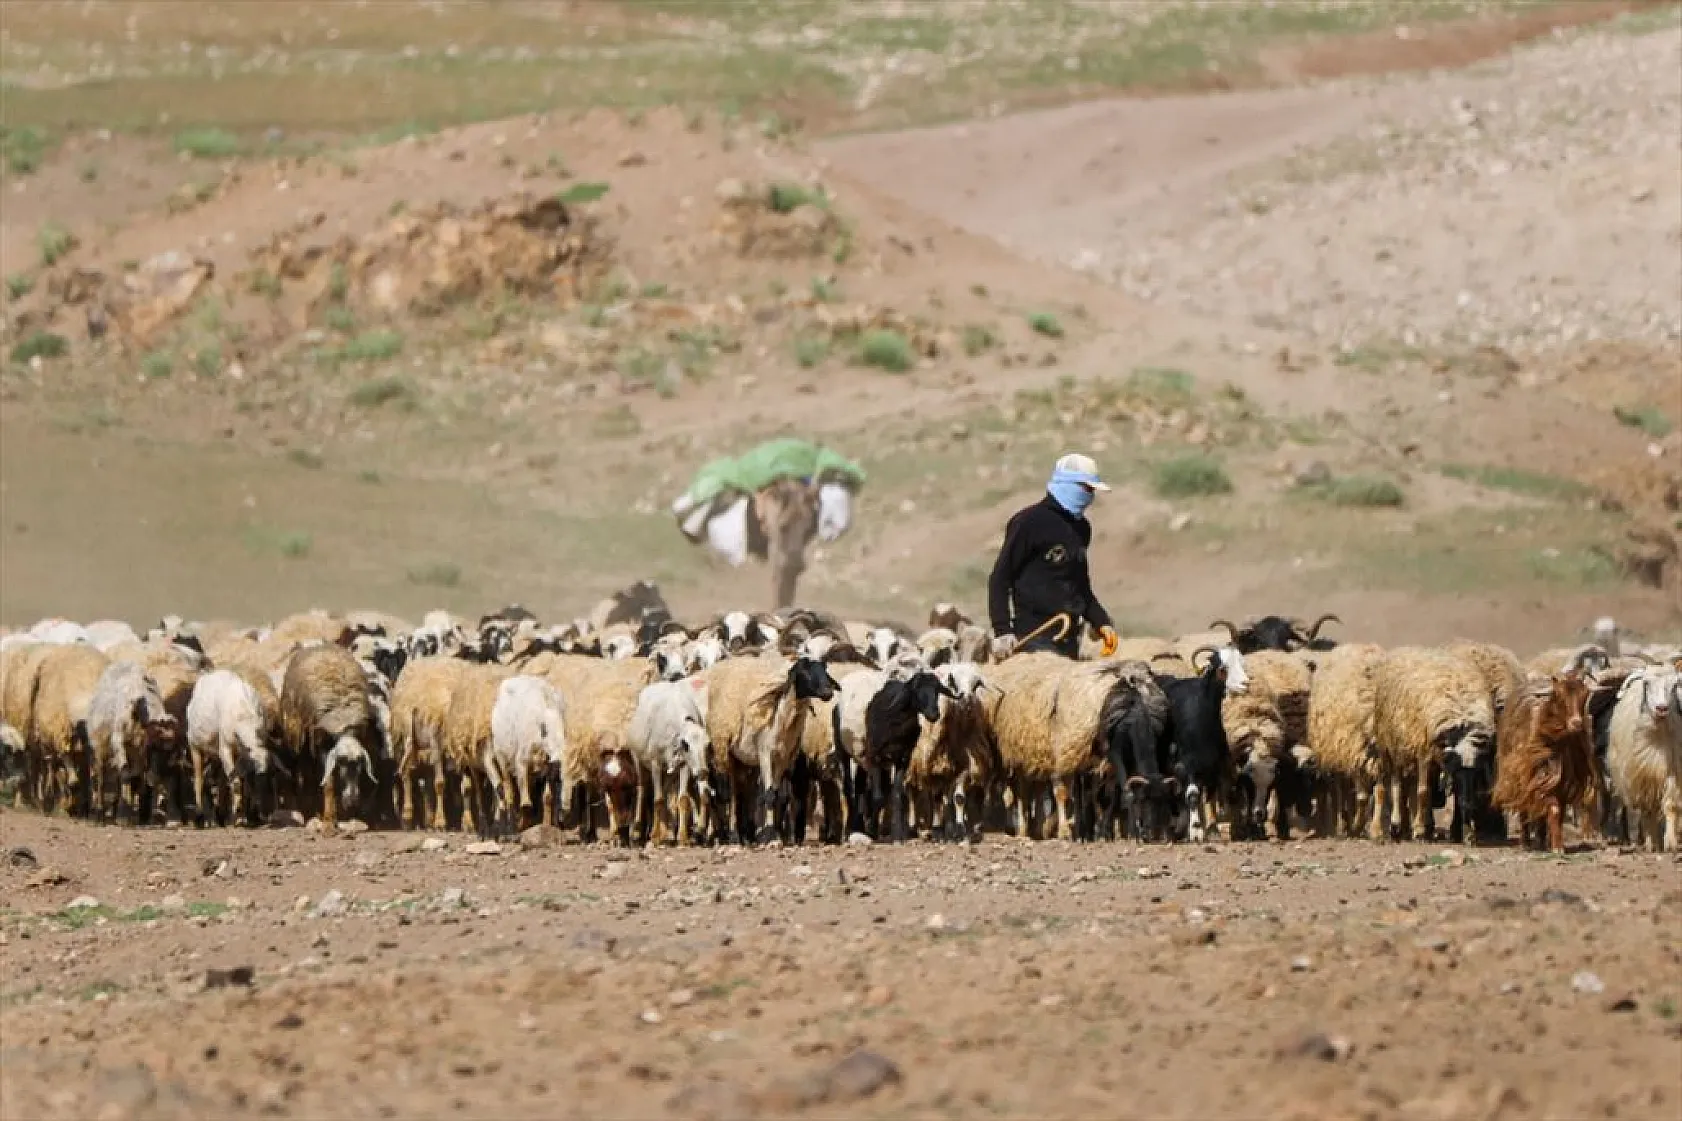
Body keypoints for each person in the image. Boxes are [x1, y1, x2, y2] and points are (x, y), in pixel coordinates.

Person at [987, 453, 1119, 660]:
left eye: (1092, 490)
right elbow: (1000, 578)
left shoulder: (1082, 528)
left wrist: (1101, 621)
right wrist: (1002, 630)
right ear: (1067, 484)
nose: (1090, 495)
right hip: (1034, 637)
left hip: (1070, 638)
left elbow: (1080, 585)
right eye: (1086, 488)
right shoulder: (1029, 522)